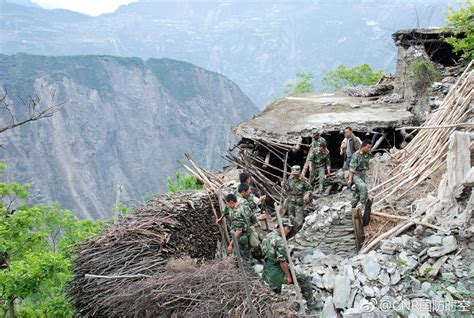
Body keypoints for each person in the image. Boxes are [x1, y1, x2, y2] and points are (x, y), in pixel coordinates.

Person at [261, 218, 314, 306]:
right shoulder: (279, 241)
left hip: (267, 271)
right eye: (288, 228)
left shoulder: (268, 236)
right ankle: (311, 303)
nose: (289, 231)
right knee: (304, 277)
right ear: (282, 227)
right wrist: (288, 277)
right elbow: (282, 262)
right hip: (276, 272)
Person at [226, 188, 267, 262]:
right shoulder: (245, 207)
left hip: (242, 238)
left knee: (244, 257)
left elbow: (238, 231)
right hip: (248, 233)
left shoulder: (236, 214)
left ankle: (249, 269)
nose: (227, 205)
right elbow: (253, 219)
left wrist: (231, 244)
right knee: (248, 253)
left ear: (231, 202)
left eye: (227, 203)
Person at [281, 165, 312, 232]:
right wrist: (284, 186)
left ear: (299, 172)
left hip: (299, 202)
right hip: (290, 201)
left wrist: (307, 194)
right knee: (291, 218)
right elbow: (288, 190)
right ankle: (291, 233)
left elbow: (310, 189)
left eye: (296, 174)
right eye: (293, 174)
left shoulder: (303, 180)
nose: (295, 175)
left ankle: (297, 232)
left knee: (299, 221)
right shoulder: (289, 180)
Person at [347, 139, 372, 209]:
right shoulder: (356, 155)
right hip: (356, 175)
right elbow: (352, 168)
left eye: (370, 147)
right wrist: (350, 180)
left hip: (363, 175)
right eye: (368, 147)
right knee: (363, 187)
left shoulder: (368, 154)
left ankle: (352, 207)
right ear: (363, 146)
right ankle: (364, 204)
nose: (369, 149)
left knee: (357, 193)